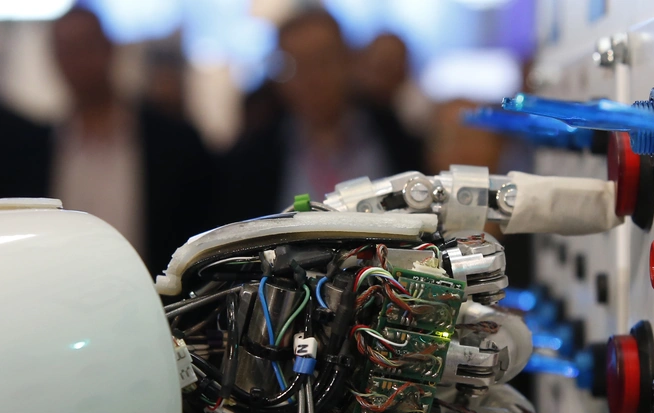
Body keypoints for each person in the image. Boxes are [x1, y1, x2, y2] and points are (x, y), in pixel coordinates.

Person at [48, 7, 215, 275]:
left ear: (109, 49)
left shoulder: (174, 143)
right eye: (65, 49)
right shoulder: (38, 150)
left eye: (86, 46)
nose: (77, 60)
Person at [222, 10, 424, 221]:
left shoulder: (396, 138)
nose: (312, 79)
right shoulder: (254, 159)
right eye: (295, 66)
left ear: (348, 62)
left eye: (323, 61)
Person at [355, 32, 433, 137]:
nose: (385, 73)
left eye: (391, 64)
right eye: (380, 63)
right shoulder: (352, 112)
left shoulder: (415, 117)